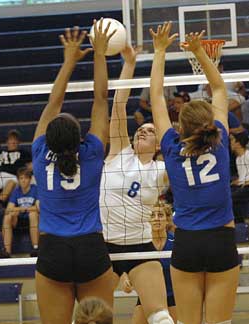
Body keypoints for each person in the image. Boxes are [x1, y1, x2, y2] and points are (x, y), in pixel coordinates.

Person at [150, 23, 240, 324]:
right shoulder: (221, 142)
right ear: (210, 124)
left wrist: (160, 51)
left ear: (181, 127)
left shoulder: (173, 150)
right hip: (221, 241)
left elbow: (157, 99)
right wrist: (201, 53)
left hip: (187, 242)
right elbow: (217, 88)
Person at [32, 23, 115, 323]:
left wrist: (69, 60)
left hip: (53, 249)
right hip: (90, 248)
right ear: (79, 135)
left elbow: (53, 102)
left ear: (49, 136)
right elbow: (101, 98)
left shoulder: (39, 153)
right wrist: (100, 54)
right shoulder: (92, 152)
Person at [100, 44, 172, 324]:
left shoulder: (161, 170)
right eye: (141, 129)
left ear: (158, 144)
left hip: (140, 245)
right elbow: (118, 105)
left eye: (151, 131)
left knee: (160, 316)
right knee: (94, 315)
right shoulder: (119, 151)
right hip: (103, 245)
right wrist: (129, 63)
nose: (143, 130)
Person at [121, 201, 177, 324]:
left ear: (167, 220)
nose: (156, 219)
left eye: (160, 215)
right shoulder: (140, 243)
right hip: (147, 296)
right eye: (152, 215)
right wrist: (125, 278)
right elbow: (126, 264)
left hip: (173, 297)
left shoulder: (177, 242)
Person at [0, 167, 39, 258]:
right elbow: (9, 209)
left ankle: (36, 248)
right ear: (18, 180)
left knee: (33, 214)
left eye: (26, 178)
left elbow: (38, 208)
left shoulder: (35, 189)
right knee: (8, 216)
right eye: (21, 178)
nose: (23, 181)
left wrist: (20, 208)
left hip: (33, 220)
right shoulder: (16, 191)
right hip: (19, 220)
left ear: (30, 179)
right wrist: (22, 209)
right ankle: (6, 251)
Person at [0, 129, 32, 203]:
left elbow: (30, 165)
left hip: (13, 176)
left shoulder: (24, 153)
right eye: (11, 139)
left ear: (19, 142)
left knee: (10, 183)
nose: (13, 142)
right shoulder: (0, 152)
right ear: (7, 142)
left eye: (15, 140)